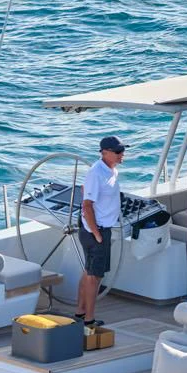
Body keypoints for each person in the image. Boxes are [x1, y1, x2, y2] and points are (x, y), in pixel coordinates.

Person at [77, 134, 128, 323]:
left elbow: (86, 190)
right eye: (117, 152)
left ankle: (80, 311)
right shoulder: (96, 172)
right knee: (94, 277)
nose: (122, 154)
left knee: (88, 272)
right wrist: (97, 234)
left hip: (100, 228)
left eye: (123, 150)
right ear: (104, 153)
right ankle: (89, 320)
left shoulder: (111, 170)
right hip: (96, 231)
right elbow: (87, 205)